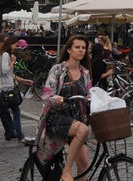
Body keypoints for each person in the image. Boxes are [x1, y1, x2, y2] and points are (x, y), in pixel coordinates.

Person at [37, 35, 93, 181]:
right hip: (57, 117)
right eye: (77, 47)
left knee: (83, 162)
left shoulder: (85, 73)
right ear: (69, 49)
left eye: (83, 48)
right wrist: (58, 98)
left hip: (76, 118)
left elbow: (89, 93)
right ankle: (66, 172)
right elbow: (47, 92)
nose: (81, 50)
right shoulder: (58, 69)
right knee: (83, 130)